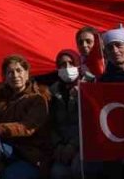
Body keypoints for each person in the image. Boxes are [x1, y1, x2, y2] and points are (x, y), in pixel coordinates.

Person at [0, 55, 51, 179]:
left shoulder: (38, 99)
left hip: (31, 156)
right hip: (6, 151)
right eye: (10, 72)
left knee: (10, 175)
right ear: (5, 77)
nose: (15, 75)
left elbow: (26, 127)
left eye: (19, 70)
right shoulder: (1, 99)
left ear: (27, 74)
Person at [46, 50, 86, 179]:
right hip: (61, 146)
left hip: (83, 146)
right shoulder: (52, 91)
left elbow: (90, 123)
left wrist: (73, 145)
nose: (67, 68)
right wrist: (58, 145)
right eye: (63, 64)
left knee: (78, 169)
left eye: (71, 63)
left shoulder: (88, 87)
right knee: (57, 173)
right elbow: (50, 123)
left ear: (78, 65)